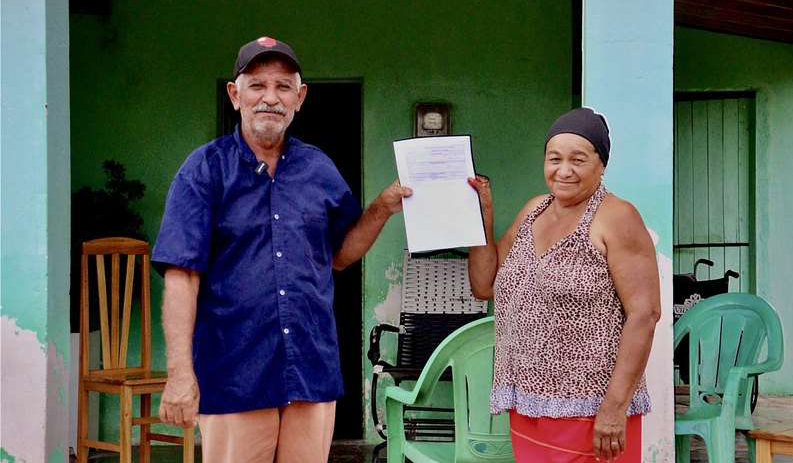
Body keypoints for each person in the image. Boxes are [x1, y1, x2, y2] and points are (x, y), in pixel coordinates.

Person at [152, 36, 411, 463]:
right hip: (234, 370)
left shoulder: (319, 168)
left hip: (310, 365)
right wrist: (180, 373)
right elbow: (182, 275)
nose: (270, 98)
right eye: (257, 85)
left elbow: (340, 256)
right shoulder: (203, 170)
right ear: (235, 95)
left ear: (299, 97)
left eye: (283, 86)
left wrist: (382, 208)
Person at [467, 107, 661, 462]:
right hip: (529, 403)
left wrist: (614, 408)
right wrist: (482, 214)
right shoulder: (535, 210)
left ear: (601, 166)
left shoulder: (616, 216)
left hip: (592, 408)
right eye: (554, 158)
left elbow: (644, 314)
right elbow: (485, 284)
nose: (564, 170)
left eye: (579, 159)